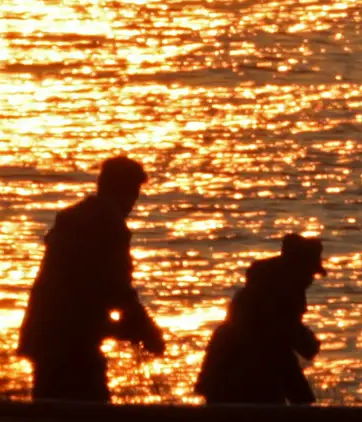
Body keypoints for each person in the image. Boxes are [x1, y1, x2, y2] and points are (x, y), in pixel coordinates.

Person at [16, 156, 165, 404]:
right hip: (71, 341)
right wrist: (147, 330)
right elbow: (116, 287)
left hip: (44, 333)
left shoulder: (74, 218)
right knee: (90, 405)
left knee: (49, 406)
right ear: (124, 190)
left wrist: (126, 325)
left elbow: (89, 287)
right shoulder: (109, 224)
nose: (133, 204)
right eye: (133, 194)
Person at [195, 233, 325, 405]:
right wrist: (304, 399)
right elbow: (281, 352)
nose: (310, 281)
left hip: (224, 381)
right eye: (309, 274)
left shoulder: (260, 294)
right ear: (297, 271)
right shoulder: (275, 303)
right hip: (242, 382)